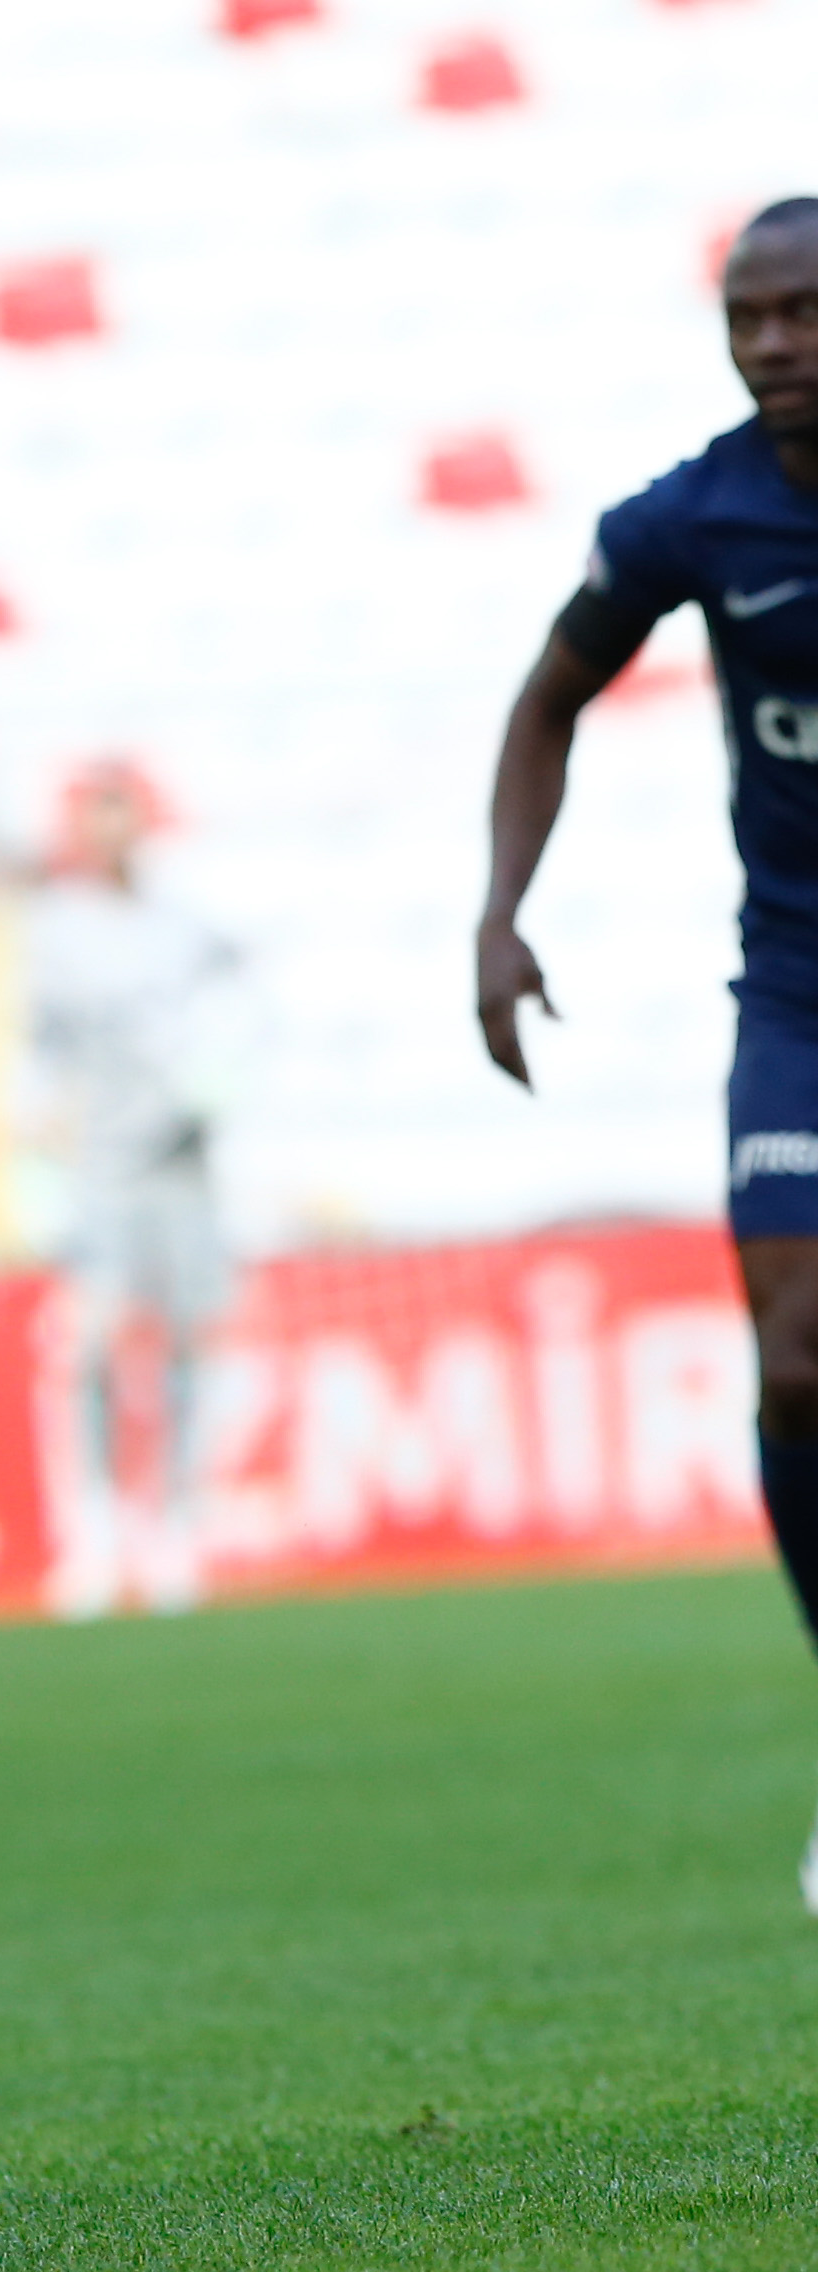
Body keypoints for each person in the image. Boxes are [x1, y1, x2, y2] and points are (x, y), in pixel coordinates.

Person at [474, 197, 818, 1915]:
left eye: (801, 312)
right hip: (800, 998)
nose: (773, 343)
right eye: (748, 317)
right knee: (797, 1362)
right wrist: (500, 912)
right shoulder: (694, 516)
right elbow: (547, 696)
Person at [19, 760, 239, 1619]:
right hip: (101, 1161)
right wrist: (37, 1160)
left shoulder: (183, 924)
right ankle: (97, 1527)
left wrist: (218, 1082)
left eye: (124, 814)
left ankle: (177, 1523)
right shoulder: (56, 930)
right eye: (97, 816)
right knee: (95, 1340)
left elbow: (238, 1015)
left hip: (182, 1156)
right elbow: (38, 1048)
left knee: (187, 1336)